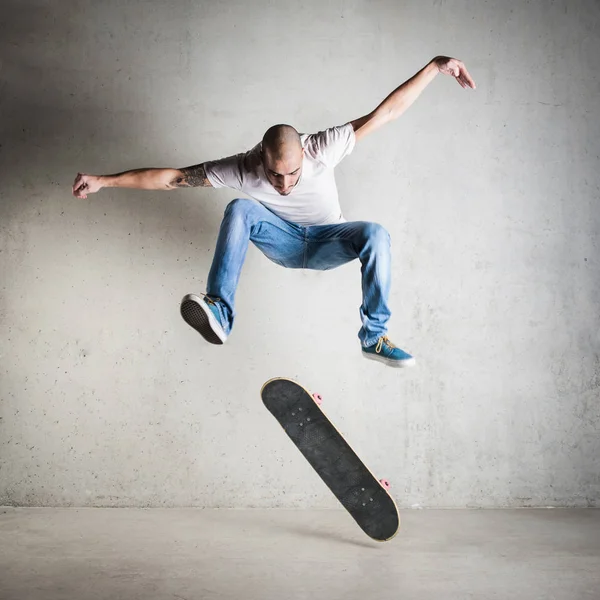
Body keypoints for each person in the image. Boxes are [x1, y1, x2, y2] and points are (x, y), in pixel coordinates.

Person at [72, 56, 475, 368]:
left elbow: (385, 113)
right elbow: (172, 178)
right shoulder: (245, 166)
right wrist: (104, 181)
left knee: (376, 234)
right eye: (274, 176)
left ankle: (374, 337)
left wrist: (435, 67)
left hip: (326, 242)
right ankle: (220, 312)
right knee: (241, 208)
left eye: (292, 174)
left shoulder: (324, 146)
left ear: (305, 152)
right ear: (260, 158)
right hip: (280, 241)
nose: (282, 184)